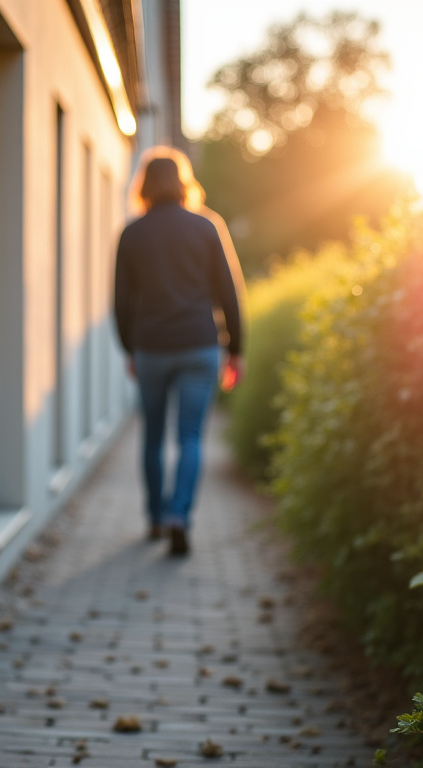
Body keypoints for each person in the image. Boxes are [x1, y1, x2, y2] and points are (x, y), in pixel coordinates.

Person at [113, 147, 245, 556]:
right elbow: (230, 293)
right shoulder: (207, 227)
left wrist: (129, 348)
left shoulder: (132, 233)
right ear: (184, 182)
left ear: (145, 185)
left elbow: (120, 302)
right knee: (190, 436)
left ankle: (154, 517)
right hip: (200, 346)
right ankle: (178, 516)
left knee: (152, 437)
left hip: (152, 348)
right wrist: (235, 350)